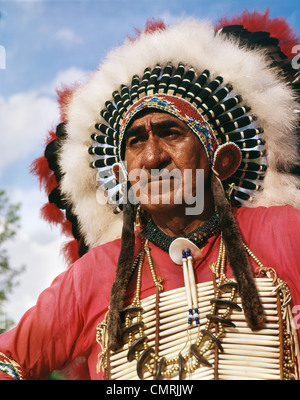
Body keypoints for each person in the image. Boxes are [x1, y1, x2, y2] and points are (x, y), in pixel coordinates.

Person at [0, 9, 300, 380]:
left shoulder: (285, 233)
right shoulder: (94, 276)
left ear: (221, 160)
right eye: (135, 141)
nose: (152, 157)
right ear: (122, 175)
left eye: (171, 132)